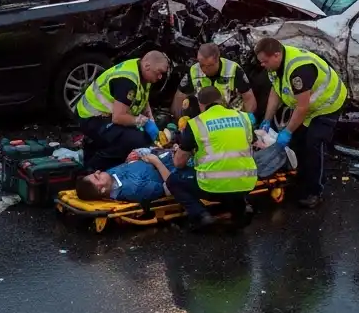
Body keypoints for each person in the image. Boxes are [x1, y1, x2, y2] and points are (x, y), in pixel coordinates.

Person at [254, 37, 346, 208]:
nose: (262, 65)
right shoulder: (276, 65)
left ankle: (315, 192)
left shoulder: (299, 70)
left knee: (313, 144)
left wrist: (287, 131)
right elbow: (276, 92)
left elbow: (302, 108)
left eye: (265, 61)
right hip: (309, 106)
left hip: (327, 105)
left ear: (276, 55)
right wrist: (266, 120)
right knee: (298, 142)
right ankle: (302, 178)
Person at [167, 86, 259, 230]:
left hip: (211, 186)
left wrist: (185, 151)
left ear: (200, 104)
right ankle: (240, 208)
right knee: (231, 176)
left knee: (174, 180)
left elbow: (179, 163)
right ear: (221, 101)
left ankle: (201, 215)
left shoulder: (197, 123)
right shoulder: (243, 117)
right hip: (246, 183)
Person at [75, 51, 171, 172]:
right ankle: (94, 166)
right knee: (135, 140)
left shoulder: (142, 70)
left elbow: (143, 97)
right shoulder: (127, 81)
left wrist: (150, 119)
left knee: (141, 134)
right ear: (147, 66)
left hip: (106, 115)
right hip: (91, 117)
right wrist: (143, 122)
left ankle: (99, 149)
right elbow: (118, 117)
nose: (160, 77)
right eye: (159, 73)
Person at [170, 43, 257, 118]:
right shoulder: (194, 70)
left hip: (232, 117)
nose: (204, 69)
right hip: (206, 119)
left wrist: (248, 119)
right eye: (201, 64)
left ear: (217, 60)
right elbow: (180, 96)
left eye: (209, 66)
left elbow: (248, 98)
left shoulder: (233, 70)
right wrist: (177, 121)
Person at [73, 147, 179, 203]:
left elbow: (129, 166)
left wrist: (132, 158)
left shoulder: (110, 176)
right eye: (97, 177)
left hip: (168, 154)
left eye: (94, 173)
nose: (98, 172)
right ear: (102, 190)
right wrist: (156, 162)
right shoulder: (134, 189)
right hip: (177, 166)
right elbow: (172, 188)